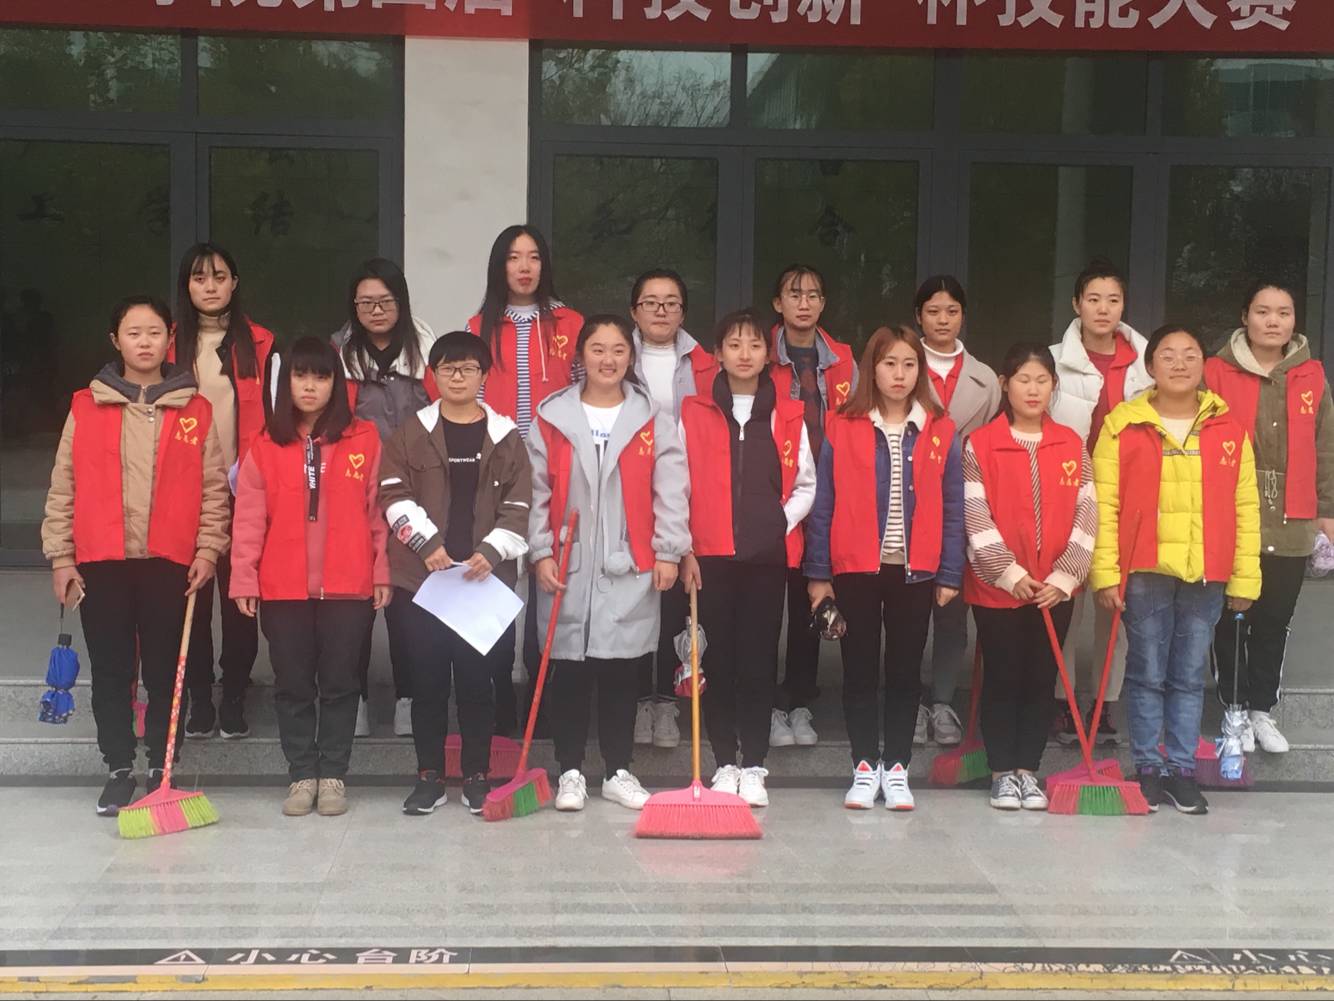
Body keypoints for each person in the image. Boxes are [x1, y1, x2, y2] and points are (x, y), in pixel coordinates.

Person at [41, 296, 230, 816]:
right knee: (111, 668)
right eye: (133, 333)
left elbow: (214, 489)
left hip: (171, 561)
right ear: (115, 341)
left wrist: (208, 549)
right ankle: (119, 766)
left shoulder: (194, 409)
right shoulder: (86, 405)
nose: (144, 342)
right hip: (102, 560)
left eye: (154, 333)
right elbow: (63, 486)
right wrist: (61, 557)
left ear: (170, 338)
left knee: (169, 671)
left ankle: (163, 767)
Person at [1091, 325, 1260, 815]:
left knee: (1188, 676)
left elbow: (1246, 508)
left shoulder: (1228, 429)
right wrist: (1106, 573)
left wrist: (1245, 577)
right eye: (1168, 355)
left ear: (1204, 365)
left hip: (1207, 572)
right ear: (1150, 366)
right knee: (1146, 673)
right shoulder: (1122, 425)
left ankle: (1182, 771)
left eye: (1190, 355)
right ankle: (1148, 767)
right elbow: (1104, 505)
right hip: (1144, 571)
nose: (1180, 364)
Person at [527, 314, 690, 813]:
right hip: (567, 563)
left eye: (618, 350)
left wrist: (668, 551)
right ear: (580, 355)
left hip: (630, 564)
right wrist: (539, 551)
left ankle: (619, 770)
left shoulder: (651, 417)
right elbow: (535, 492)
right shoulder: (552, 416)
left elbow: (671, 489)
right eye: (597, 349)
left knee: (623, 672)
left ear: (630, 356)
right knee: (569, 672)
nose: (608, 359)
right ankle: (570, 771)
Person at [804, 325, 964, 811]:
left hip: (915, 572)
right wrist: (818, 574)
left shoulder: (941, 428)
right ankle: (862, 766)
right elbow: (823, 503)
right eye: (889, 363)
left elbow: (954, 506)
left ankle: (896, 768)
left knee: (904, 672)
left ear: (920, 371)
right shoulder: (843, 424)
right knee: (858, 670)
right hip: (855, 569)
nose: (899, 374)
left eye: (909, 364)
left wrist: (950, 572)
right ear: (871, 369)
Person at [230, 338, 391, 818]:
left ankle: (333, 775)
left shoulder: (364, 438)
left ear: (336, 385)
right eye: (301, 376)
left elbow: (377, 513)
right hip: (283, 588)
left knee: (341, 683)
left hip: (348, 585)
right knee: (294, 684)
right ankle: (301, 774)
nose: (310, 386)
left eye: (321, 377)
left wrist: (380, 570)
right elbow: (249, 518)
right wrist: (243, 578)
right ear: (286, 383)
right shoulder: (265, 443)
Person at [379, 332, 532, 816]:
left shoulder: (505, 436)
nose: (458, 377)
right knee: (426, 682)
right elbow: (392, 493)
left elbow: (519, 504)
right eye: (447, 368)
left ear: (484, 375)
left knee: (476, 682)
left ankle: (476, 776)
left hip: (481, 582)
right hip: (424, 580)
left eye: (468, 368)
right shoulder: (411, 432)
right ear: (434, 374)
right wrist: (426, 544)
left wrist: (492, 550)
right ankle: (428, 776)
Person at [678, 311, 816, 808]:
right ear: (717, 354)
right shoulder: (693, 412)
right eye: (734, 345)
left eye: (754, 345)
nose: (744, 354)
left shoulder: (788, 414)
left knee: (758, 662)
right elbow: (676, 484)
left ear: (767, 355)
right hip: (708, 558)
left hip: (765, 559)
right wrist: (684, 548)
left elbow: (806, 484)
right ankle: (724, 763)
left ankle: (754, 764)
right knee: (716, 661)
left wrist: (778, 522)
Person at [962, 344, 1096, 812]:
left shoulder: (1071, 444)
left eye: (1042, 380)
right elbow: (975, 514)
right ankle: (1001, 772)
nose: (1033, 389)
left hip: (1054, 591)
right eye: (1023, 380)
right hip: (998, 589)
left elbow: (1087, 512)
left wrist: (1065, 577)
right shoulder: (981, 444)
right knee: (1003, 677)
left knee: (1041, 679)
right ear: (1005, 385)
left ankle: (1027, 770)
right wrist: (1009, 573)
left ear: (1054, 385)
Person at [1204, 281, 1334, 754]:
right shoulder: (1215, 372)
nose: (1273, 321)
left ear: (1294, 320)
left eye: (1283, 312)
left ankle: (1262, 710)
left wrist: (1327, 513)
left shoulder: (1311, 376)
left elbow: (1326, 449)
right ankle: (1234, 710)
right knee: (1230, 619)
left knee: (1275, 620)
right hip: (1231, 515)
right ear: (1245, 317)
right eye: (1263, 311)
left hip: (1293, 519)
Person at [468, 225, 584, 737]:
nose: (524, 267)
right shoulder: (478, 326)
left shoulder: (570, 324)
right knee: (494, 586)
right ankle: (498, 703)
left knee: (547, 587)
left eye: (533, 257)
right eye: (514, 257)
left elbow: (586, 394)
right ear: (500, 266)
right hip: (495, 474)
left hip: (556, 471)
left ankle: (546, 703)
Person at [172, 244, 279, 742]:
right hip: (182, 490)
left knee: (239, 598)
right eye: (199, 278)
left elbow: (277, 418)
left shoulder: (262, 344)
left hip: (243, 489)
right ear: (187, 286)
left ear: (235, 282)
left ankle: (234, 692)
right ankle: (199, 695)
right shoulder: (167, 343)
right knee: (190, 597)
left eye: (219, 276)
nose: (210, 286)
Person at [333, 258, 439, 740]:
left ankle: (407, 696)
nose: (376, 310)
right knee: (354, 599)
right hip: (353, 492)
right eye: (366, 302)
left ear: (402, 302)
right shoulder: (338, 356)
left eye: (385, 301)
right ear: (353, 307)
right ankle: (351, 697)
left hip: (416, 495)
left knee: (407, 599)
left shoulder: (428, 351)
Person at [1049, 258, 1152, 747]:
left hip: (1124, 498)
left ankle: (1104, 703)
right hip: (1067, 497)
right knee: (1065, 600)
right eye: (1093, 299)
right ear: (1076, 304)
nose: (1103, 309)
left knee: (1114, 604)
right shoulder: (1052, 362)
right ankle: (1062, 700)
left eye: (1113, 299)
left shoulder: (1149, 364)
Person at [767, 264, 858, 749]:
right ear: (778, 303)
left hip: (827, 499)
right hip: (774, 499)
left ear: (823, 303)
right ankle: (766, 704)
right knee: (765, 608)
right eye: (794, 294)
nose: (804, 303)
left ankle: (800, 699)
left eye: (813, 295)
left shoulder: (843, 361)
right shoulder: (761, 354)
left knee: (813, 598)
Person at [629, 268, 717, 751]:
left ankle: (667, 701)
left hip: (687, 493)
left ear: (683, 311)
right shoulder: (616, 357)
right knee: (634, 603)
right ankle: (637, 700)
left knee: (674, 605)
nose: (661, 311)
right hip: (628, 495)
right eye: (651, 302)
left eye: (671, 302)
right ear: (634, 311)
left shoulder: (706, 365)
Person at [913, 275, 1002, 749]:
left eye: (951, 311)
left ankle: (942, 700)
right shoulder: (898, 363)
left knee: (952, 610)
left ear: (963, 316)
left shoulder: (986, 379)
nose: (943, 320)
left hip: (961, 503)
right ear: (918, 316)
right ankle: (907, 700)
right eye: (933, 311)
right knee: (907, 611)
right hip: (905, 500)